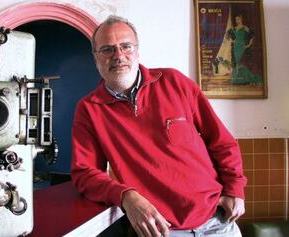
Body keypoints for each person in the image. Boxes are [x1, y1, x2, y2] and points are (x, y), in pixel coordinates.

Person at [71, 15, 246, 237]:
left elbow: (221, 141)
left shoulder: (175, 82)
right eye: (107, 50)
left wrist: (235, 189)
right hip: (160, 230)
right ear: (96, 58)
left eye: (125, 46)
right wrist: (126, 196)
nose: (119, 56)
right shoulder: (89, 109)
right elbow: (84, 174)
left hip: (218, 221)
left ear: (137, 50)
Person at [226, 14, 262, 85]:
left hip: (242, 46)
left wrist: (249, 44)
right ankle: (237, 79)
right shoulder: (234, 28)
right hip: (236, 46)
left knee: (240, 62)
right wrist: (232, 40)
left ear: (241, 19)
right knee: (236, 62)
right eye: (236, 19)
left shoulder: (245, 27)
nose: (237, 21)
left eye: (238, 19)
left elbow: (252, 35)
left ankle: (245, 79)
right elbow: (227, 35)